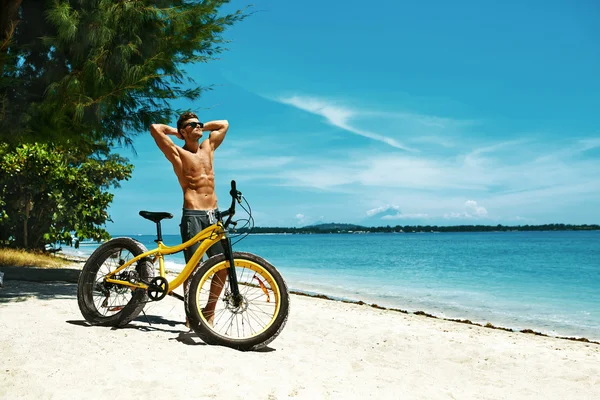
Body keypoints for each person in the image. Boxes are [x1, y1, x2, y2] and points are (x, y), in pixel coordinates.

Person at [150, 112, 229, 326]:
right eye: (192, 125)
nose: (198, 126)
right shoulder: (177, 153)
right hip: (193, 214)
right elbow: (155, 128)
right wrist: (179, 133)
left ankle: (209, 311)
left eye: (200, 124)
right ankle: (190, 315)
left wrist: (198, 128)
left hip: (214, 214)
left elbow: (223, 124)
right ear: (184, 131)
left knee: (223, 266)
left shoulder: (208, 148)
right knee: (193, 269)